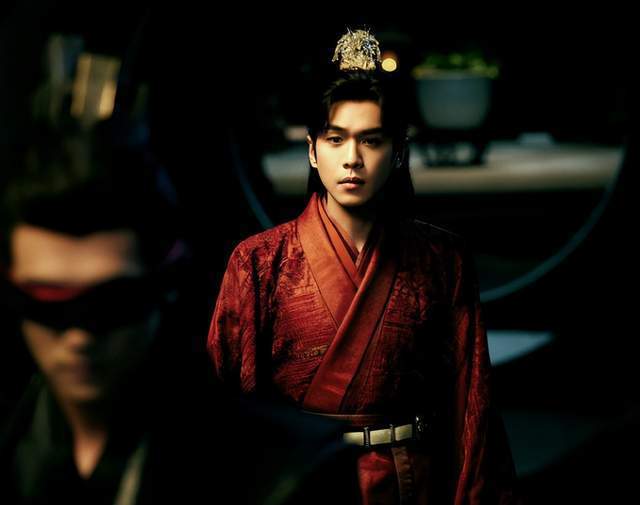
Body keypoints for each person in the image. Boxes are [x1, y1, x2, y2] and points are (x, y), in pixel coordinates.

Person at [0, 30, 358, 505]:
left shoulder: (291, 471)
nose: (78, 336)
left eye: (111, 305)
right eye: (46, 305)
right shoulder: (15, 444)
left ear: (164, 288)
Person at [208, 29, 518, 504]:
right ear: (312, 150)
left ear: (397, 152)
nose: (352, 159)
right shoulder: (259, 261)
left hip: (412, 482)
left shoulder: (443, 259)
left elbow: (471, 406)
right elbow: (226, 411)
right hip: (303, 480)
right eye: (336, 139)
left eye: (371, 141)